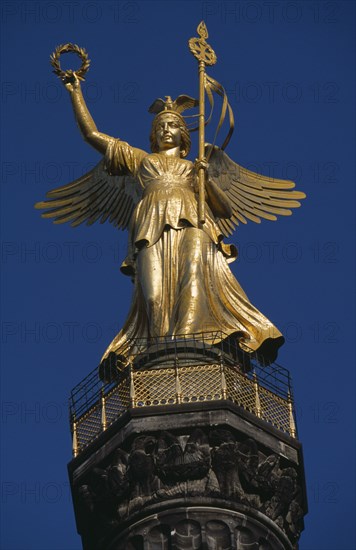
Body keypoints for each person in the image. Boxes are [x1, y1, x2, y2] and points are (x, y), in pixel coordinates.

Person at [37, 76, 286, 366]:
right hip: (150, 227)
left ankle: (188, 348)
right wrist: (75, 92)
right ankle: (160, 357)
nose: (166, 130)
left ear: (184, 133)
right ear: (154, 134)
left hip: (195, 224)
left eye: (172, 126)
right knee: (153, 295)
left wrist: (205, 178)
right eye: (160, 126)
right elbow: (92, 135)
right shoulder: (141, 161)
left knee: (194, 278)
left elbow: (224, 209)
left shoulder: (194, 168)